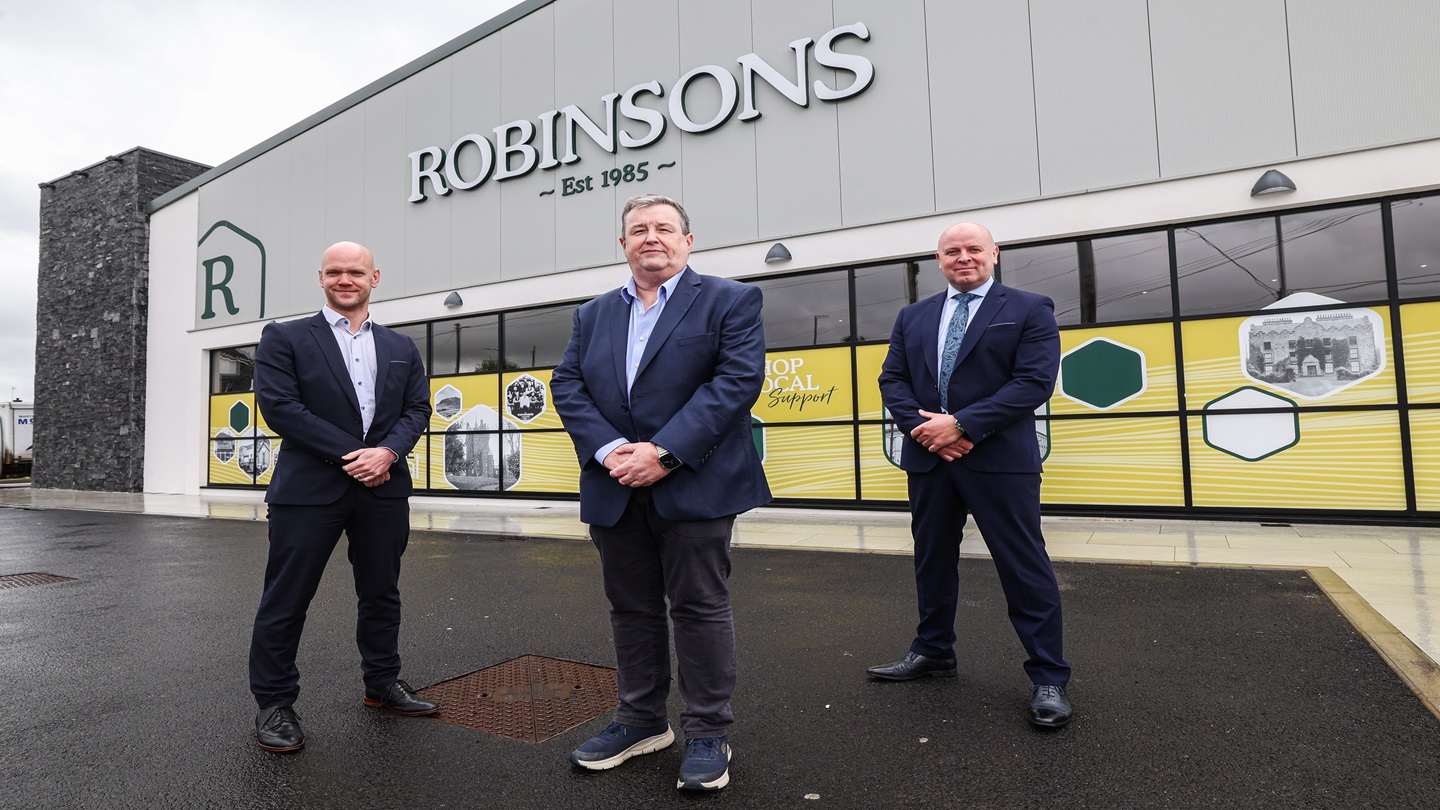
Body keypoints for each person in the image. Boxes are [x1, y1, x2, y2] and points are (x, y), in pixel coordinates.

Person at [550, 194, 770, 791]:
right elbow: (567, 384)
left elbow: (736, 382)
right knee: (632, 609)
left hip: (695, 484)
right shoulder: (591, 314)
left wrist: (664, 452)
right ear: (622, 243)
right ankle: (642, 721)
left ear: (688, 240)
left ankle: (706, 731)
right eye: (638, 229)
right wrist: (610, 451)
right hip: (614, 483)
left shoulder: (731, 299)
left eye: (664, 228)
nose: (652, 237)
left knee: (699, 607)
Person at [872, 222, 1073, 728]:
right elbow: (891, 379)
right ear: (938, 260)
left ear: (994, 255)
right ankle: (934, 651)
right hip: (930, 459)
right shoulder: (912, 315)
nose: (964, 258)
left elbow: (1033, 382)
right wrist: (928, 432)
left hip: (999, 460)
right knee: (932, 560)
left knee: (1023, 565)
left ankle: (1049, 676)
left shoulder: (1029, 308)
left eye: (974, 249)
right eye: (952, 251)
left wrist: (962, 425)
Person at [249, 241, 436, 752]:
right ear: (321, 277)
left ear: (375, 278)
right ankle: (275, 703)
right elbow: (281, 409)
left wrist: (387, 455)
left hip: (382, 488)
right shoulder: (284, 337)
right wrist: (360, 454)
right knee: (287, 598)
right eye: (335, 271)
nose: (345, 279)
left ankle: (382, 682)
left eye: (356, 271)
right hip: (310, 491)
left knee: (381, 591)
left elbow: (417, 410)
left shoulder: (401, 346)